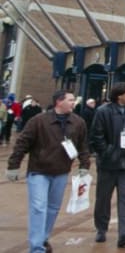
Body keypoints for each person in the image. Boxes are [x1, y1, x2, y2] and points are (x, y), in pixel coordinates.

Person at [6, 90, 91, 253]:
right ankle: (37, 247)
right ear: (59, 102)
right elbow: (23, 142)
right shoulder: (39, 121)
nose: (74, 103)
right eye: (70, 100)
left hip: (61, 171)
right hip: (39, 171)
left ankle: (43, 238)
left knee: (53, 208)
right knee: (39, 207)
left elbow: (82, 145)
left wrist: (84, 165)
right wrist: (13, 165)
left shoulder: (78, 122)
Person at [90, 82, 125, 247]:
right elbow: (96, 136)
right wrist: (108, 152)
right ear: (119, 95)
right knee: (103, 198)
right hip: (107, 164)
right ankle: (101, 228)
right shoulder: (103, 112)